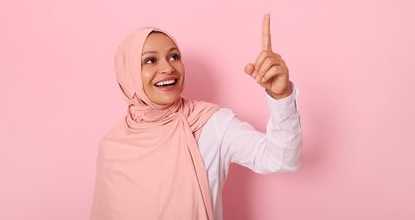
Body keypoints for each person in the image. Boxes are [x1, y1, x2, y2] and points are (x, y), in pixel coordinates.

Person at [90, 14, 302, 220]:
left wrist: (281, 96)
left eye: (174, 56)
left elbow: (282, 159)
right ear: (128, 73)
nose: (168, 68)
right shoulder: (112, 146)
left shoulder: (211, 123)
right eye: (150, 60)